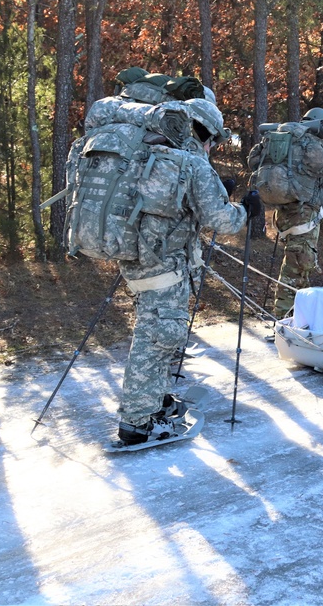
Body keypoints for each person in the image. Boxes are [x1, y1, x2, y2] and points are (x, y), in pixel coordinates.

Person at [114, 99, 259, 445]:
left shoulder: (150, 153)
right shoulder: (190, 163)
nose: (213, 148)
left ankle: (157, 402)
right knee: (154, 340)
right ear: (203, 133)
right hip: (165, 268)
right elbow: (220, 220)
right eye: (213, 141)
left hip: (140, 262)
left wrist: (214, 190)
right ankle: (135, 424)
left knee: (160, 335)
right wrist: (244, 210)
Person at [247, 107, 323, 322]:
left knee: (298, 266)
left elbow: (253, 162)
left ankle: (297, 317)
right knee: (296, 269)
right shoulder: (314, 146)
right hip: (304, 217)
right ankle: (283, 320)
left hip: (284, 216)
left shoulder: (280, 141)